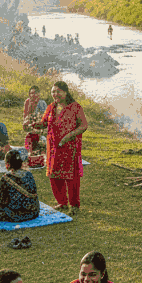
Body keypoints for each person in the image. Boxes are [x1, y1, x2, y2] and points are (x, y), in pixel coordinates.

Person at [32, 80, 87, 212]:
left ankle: (74, 205)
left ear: (65, 92)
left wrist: (70, 135)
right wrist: (33, 124)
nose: (55, 94)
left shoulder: (75, 107)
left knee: (71, 176)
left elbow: (84, 125)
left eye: (58, 91)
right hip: (53, 146)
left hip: (70, 146)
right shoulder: (51, 107)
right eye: (53, 92)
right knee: (54, 175)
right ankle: (62, 202)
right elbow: (43, 123)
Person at [0, 150, 39, 223]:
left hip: (14, 214)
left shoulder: (6, 179)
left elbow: (1, 202)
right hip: (33, 212)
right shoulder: (29, 174)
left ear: (8, 164)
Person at [22, 86, 46, 153]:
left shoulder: (42, 103)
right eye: (31, 93)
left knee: (42, 143)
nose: (33, 95)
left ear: (38, 94)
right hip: (31, 130)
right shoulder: (27, 102)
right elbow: (25, 118)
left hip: (40, 130)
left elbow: (44, 119)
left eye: (35, 93)